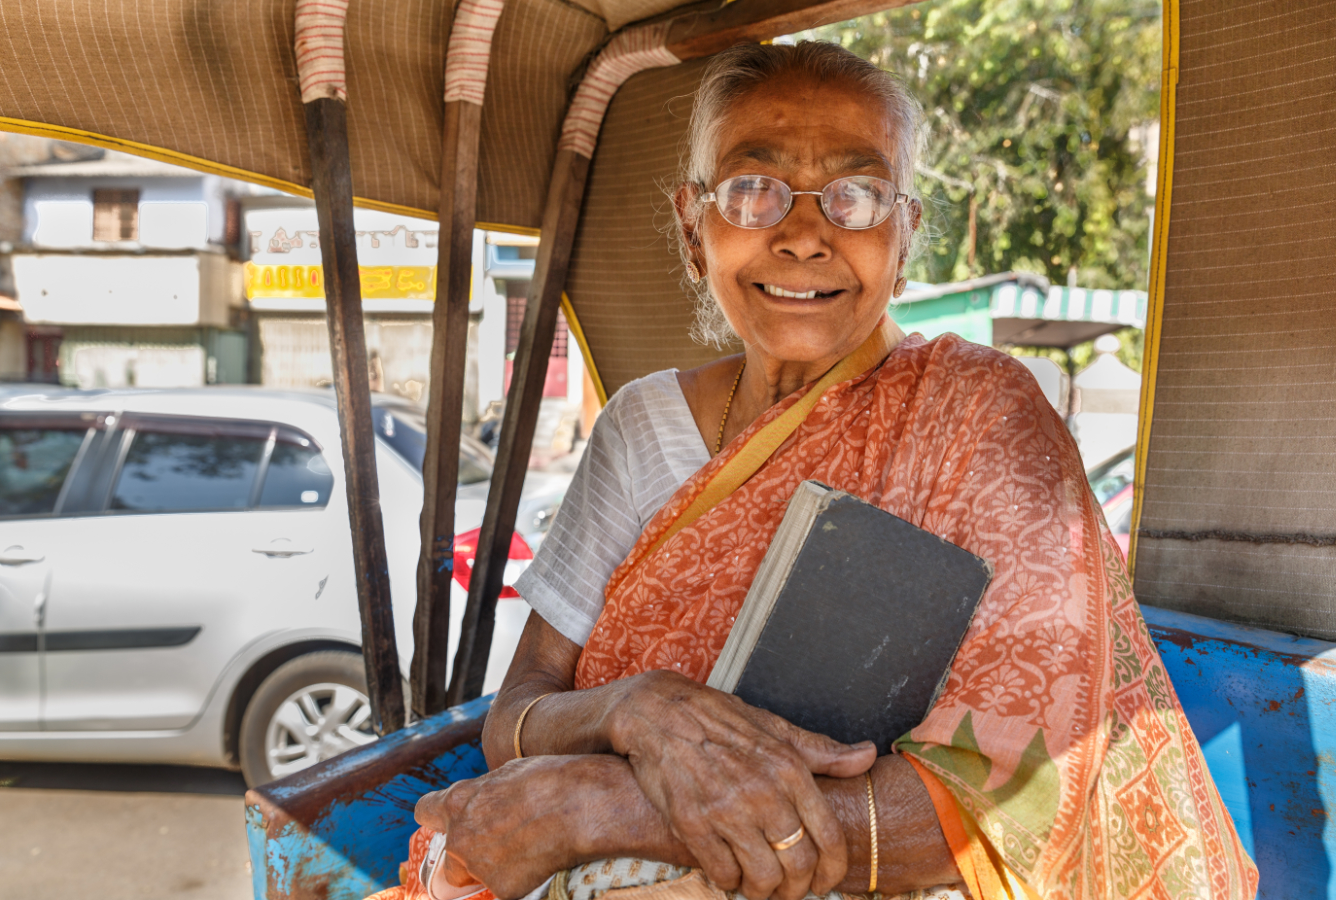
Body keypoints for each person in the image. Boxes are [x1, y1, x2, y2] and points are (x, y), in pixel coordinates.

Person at [387, 41, 1257, 900]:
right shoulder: (640, 428)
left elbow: (998, 807)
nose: (804, 234)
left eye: (857, 194)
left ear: (904, 234)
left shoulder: (980, 419)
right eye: (754, 189)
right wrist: (633, 708)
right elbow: (516, 718)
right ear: (696, 228)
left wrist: (605, 803)